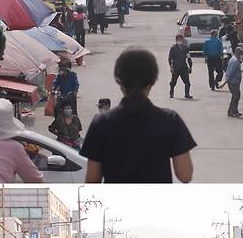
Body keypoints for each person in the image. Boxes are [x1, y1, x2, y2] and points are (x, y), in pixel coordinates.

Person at [80, 47, 196, 183]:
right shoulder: (170, 120)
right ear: (153, 80)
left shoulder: (101, 123)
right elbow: (185, 175)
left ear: (118, 80)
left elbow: (92, 181)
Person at [168, 34, 193, 99]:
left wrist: (190, 66)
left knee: (187, 82)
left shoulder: (185, 48)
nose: (179, 41)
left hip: (184, 67)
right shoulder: (173, 48)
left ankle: (187, 94)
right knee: (173, 82)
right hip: (176, 67)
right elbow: (170, 58)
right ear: (176, 40)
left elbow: (188, 57)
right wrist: (171, 67)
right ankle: (171, 94)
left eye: (180, 39)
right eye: (178, 39)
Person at [225, 47, 243, 117]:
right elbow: (231, 72)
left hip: (235, 81)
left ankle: (235, 110)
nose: (241, 55)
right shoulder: (235, 61)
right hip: (233, 82)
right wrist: (226, 81)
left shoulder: (234, 59)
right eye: (241, 54)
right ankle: (231, 111)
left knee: (237, 95)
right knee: (235, 96)